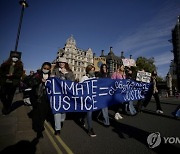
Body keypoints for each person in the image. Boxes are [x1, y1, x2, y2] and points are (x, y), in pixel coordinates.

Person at [51, 57, 75, 135]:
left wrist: (66, 74)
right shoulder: (55, 71)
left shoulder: (70, 72)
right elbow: (51, 80)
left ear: (65, 64)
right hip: (56, 94)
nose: (61, 64)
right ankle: (57, 129)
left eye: (63, 62)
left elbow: (72, 82)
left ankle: (61, 120)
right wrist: (51, 78)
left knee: (63, 110)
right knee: (57, 110)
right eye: (60, 62)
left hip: (65, 94)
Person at [30, 62, 52, 139]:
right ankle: (38, 129)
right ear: (42, 67)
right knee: (37, 114)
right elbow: (31, 82)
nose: (46, 70)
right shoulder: (37, 74)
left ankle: (40, 128)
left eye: (47, 69)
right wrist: (40, 81)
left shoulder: (51, 76)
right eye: (44, 68)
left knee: (43, 115)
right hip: (37, 97)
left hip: (46, 98)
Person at [79, 65, 97, 137]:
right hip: (86, 97)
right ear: (88, 71)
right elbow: (79, 87)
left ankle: (82, 119)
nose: (93, 71)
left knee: (88, 111)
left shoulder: (94, 78)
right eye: (91, 70)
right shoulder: (84, 78)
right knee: (89, 112)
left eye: (93, 70)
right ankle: (90, 129)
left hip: (92, 97)